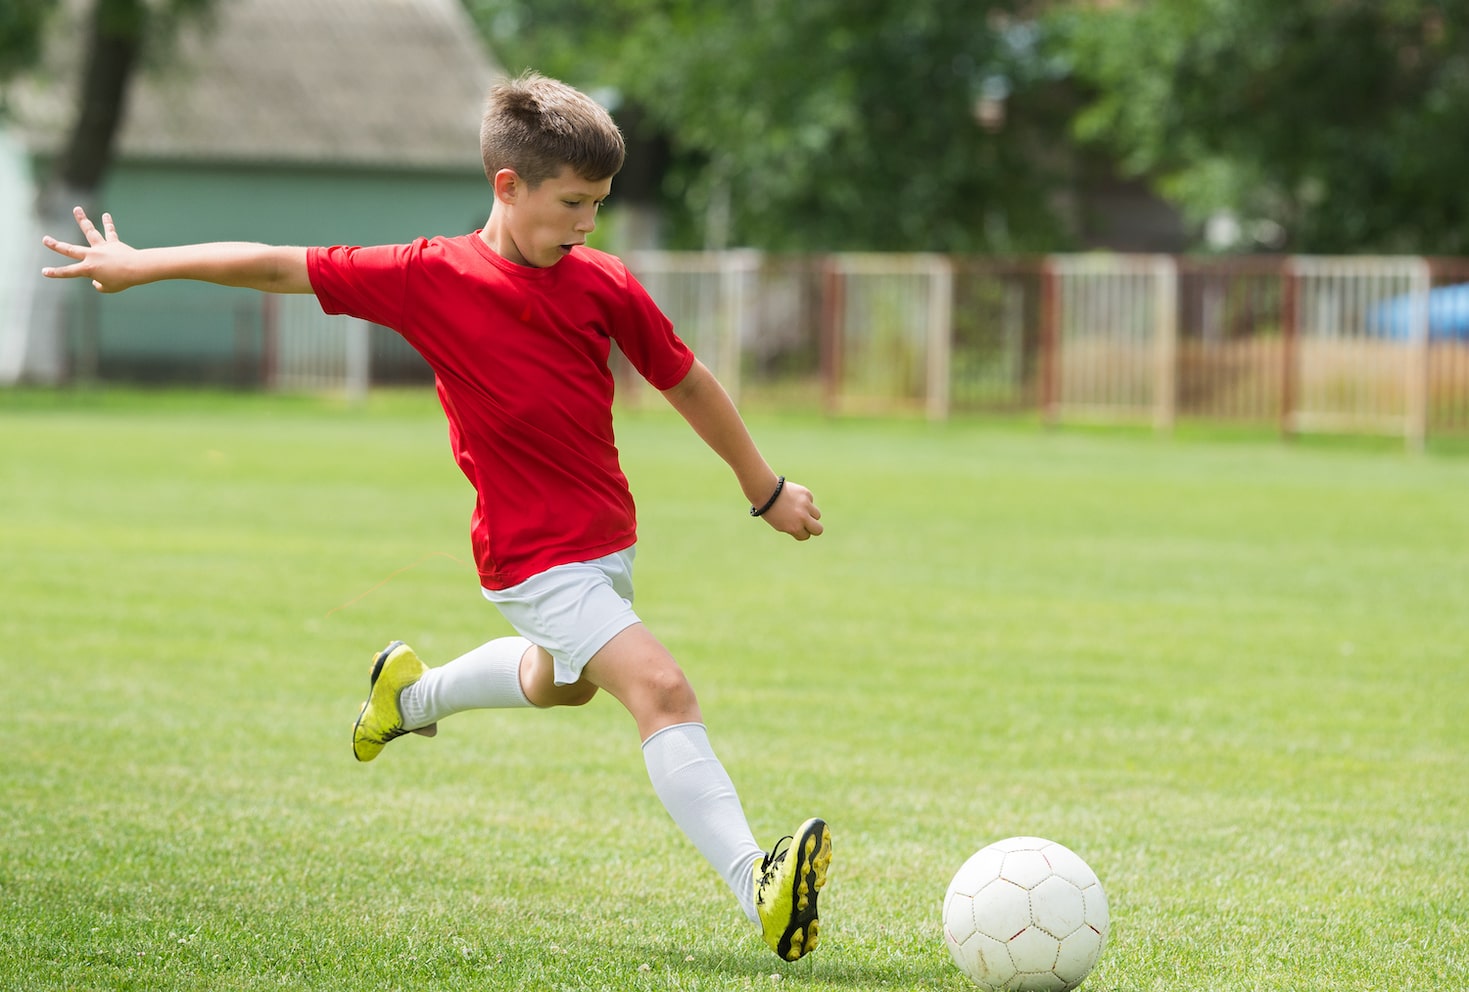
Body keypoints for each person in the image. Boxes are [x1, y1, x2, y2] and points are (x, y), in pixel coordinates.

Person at [41, 71, 832, 962]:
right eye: (573, 202)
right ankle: (755, 883)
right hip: (534, 557)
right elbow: (276, 264)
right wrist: (140, 265)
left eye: (599, 205)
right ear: (508, 185)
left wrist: (761, 488)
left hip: (607, 541)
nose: (586, 224)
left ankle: (406, 697)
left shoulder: (602, 283)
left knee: (562, 681)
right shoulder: (428, 276)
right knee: (662, 691)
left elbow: (684, 380)